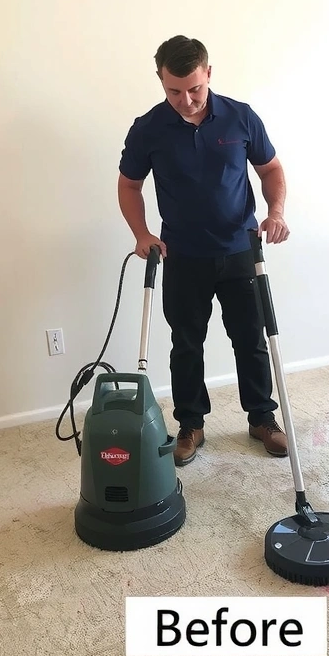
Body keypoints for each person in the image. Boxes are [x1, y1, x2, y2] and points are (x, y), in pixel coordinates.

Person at [117, 35, 290, 466]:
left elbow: (270, 169)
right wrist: (141, 234)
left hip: (240, 250)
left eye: (194, 88)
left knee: (250, 339)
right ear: (160, 80)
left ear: (208, 73)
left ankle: (262, 418)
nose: (187, 100)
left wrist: (277, 211)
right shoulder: (149, 127)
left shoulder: (241, 118)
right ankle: (191, 423)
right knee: (186, 344)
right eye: (174, 90)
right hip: (182, 255)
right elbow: (129, 184)